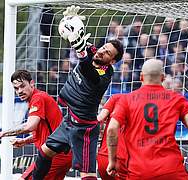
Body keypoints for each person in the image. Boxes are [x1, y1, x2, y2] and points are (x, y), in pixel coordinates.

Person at [29, 6, 124, 180]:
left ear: (113, 61)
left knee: (86, 174)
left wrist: (80, 47)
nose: (102, 51)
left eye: (108, 52)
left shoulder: (104, 74)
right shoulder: (94, 53)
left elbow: (86, 68)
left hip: (84, 128)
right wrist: (70, 23)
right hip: (69, 120)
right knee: (44, 152)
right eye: (103, 47)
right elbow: (80, 41)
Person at [107, 59, 188, 179]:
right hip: (171, 170)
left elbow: (111, 129)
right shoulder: (177, 99)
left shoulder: (126, 100)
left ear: (141, 77)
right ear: (163, 77)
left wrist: (112, 160)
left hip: (139, 171)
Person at [0, 70, 72, 180]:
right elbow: (45, 133)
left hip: (54, 155)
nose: (19, 91)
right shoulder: (38, 99)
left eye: (22, 86)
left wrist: (2, 133)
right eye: (16, 88)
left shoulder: (38, 98)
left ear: (32, 83)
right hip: (61, 154)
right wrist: (25, 141)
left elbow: (30, 126)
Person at [96, 94, 128, 180]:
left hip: (103, 157)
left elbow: (99, 119)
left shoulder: (116, 97)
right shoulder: (142, 105)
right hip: (123, 160)